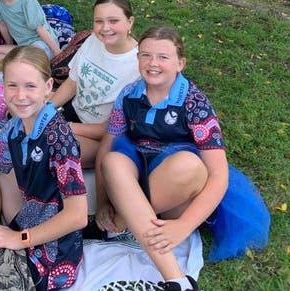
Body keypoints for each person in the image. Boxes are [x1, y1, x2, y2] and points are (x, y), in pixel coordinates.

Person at [95, 26, 229, 291]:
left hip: (176, 192)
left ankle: (122, 221)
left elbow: (219, 175)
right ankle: (179, 281)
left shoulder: (194, 103)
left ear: (180, 63)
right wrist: (101, 203)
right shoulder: (129, 95)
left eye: (163, 57)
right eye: (145, 55)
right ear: (138, 59)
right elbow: (106, 147)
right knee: (112, 161)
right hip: (141, 172)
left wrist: (183, 226)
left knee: (188, 165)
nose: (153, 63)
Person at [0, 46, 88, 291]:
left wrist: (19, 239)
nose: (20, 96)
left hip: (53, 248)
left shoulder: (60, 139)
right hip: (27, 216)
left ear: (48, 87)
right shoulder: (16, 126)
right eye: (12, 85)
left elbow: (78, 216)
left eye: (30, 86)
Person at [50, 0, 140, 167]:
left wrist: (64, 126)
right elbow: (72, 82)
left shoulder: (139, 66)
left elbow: (114, 128)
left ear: (130, 22)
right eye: (99, 21)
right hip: (72, 113)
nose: (105, 28)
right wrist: (47, 110)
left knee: (49, 146)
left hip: (101, 137)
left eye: (113, 21)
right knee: (22, 113)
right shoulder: (93, 40)